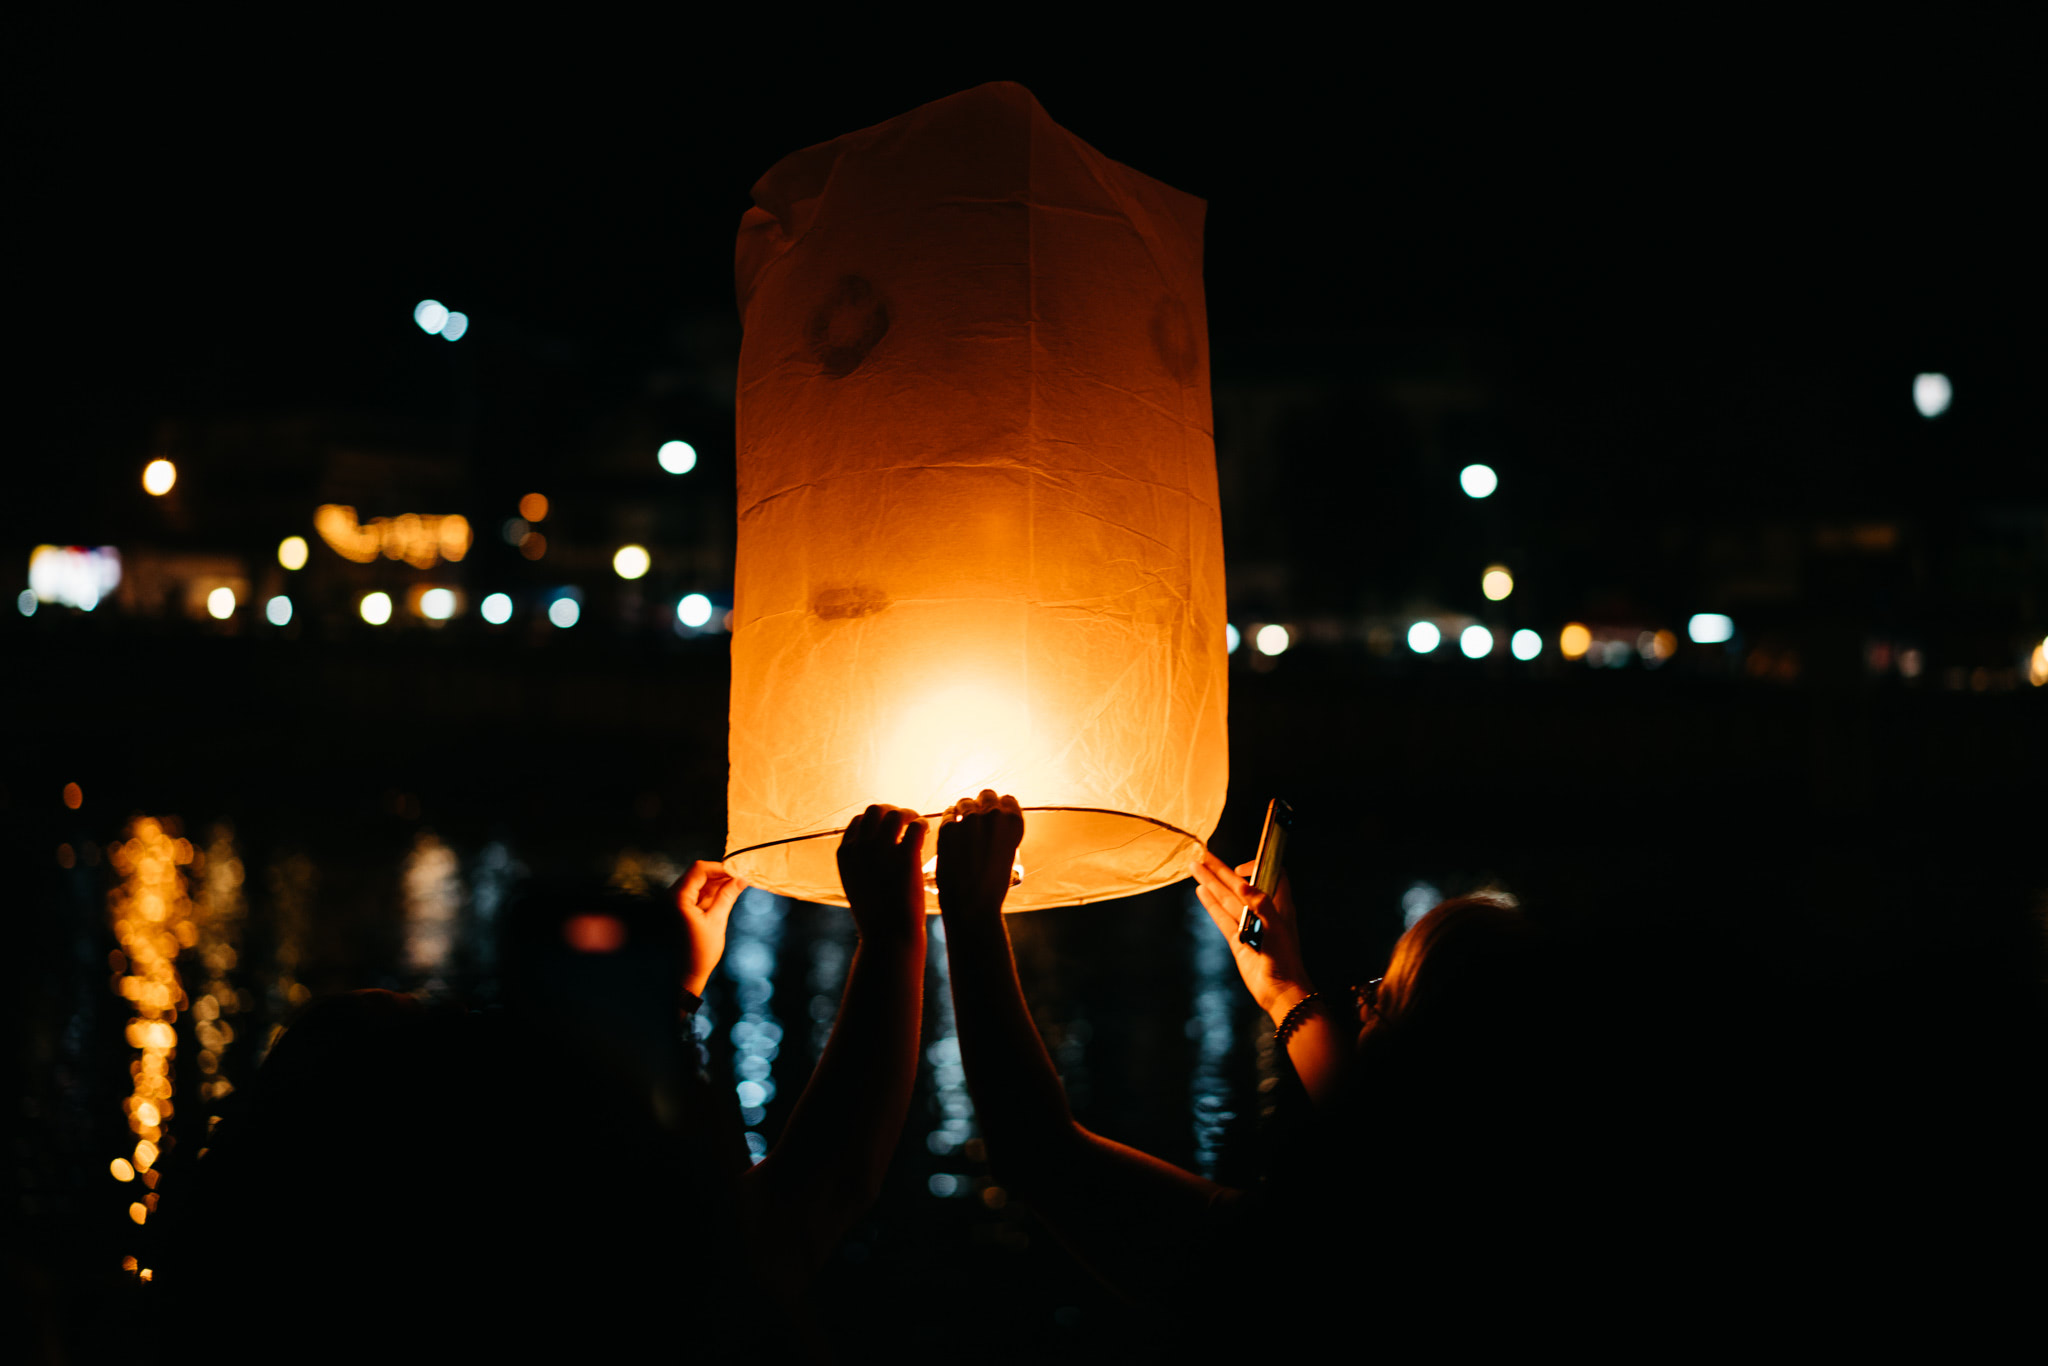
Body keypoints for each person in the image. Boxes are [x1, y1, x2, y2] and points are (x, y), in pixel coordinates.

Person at [151, 807, 933, 1361]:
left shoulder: (317, 1291)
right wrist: (895, 931)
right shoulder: (607, 1295)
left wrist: (674, 998)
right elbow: (819, 1189)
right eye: (436, 1022)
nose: (466, 1017)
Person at [932, 789, 1574, 1341]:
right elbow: (1368, 1114)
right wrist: (1283, 985)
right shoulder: (1467, 1209)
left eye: (1387, 995)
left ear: (1430, 1075)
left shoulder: (1299, 1266)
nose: (1359, 996)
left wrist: (968, 915)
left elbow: (1037, 1152)